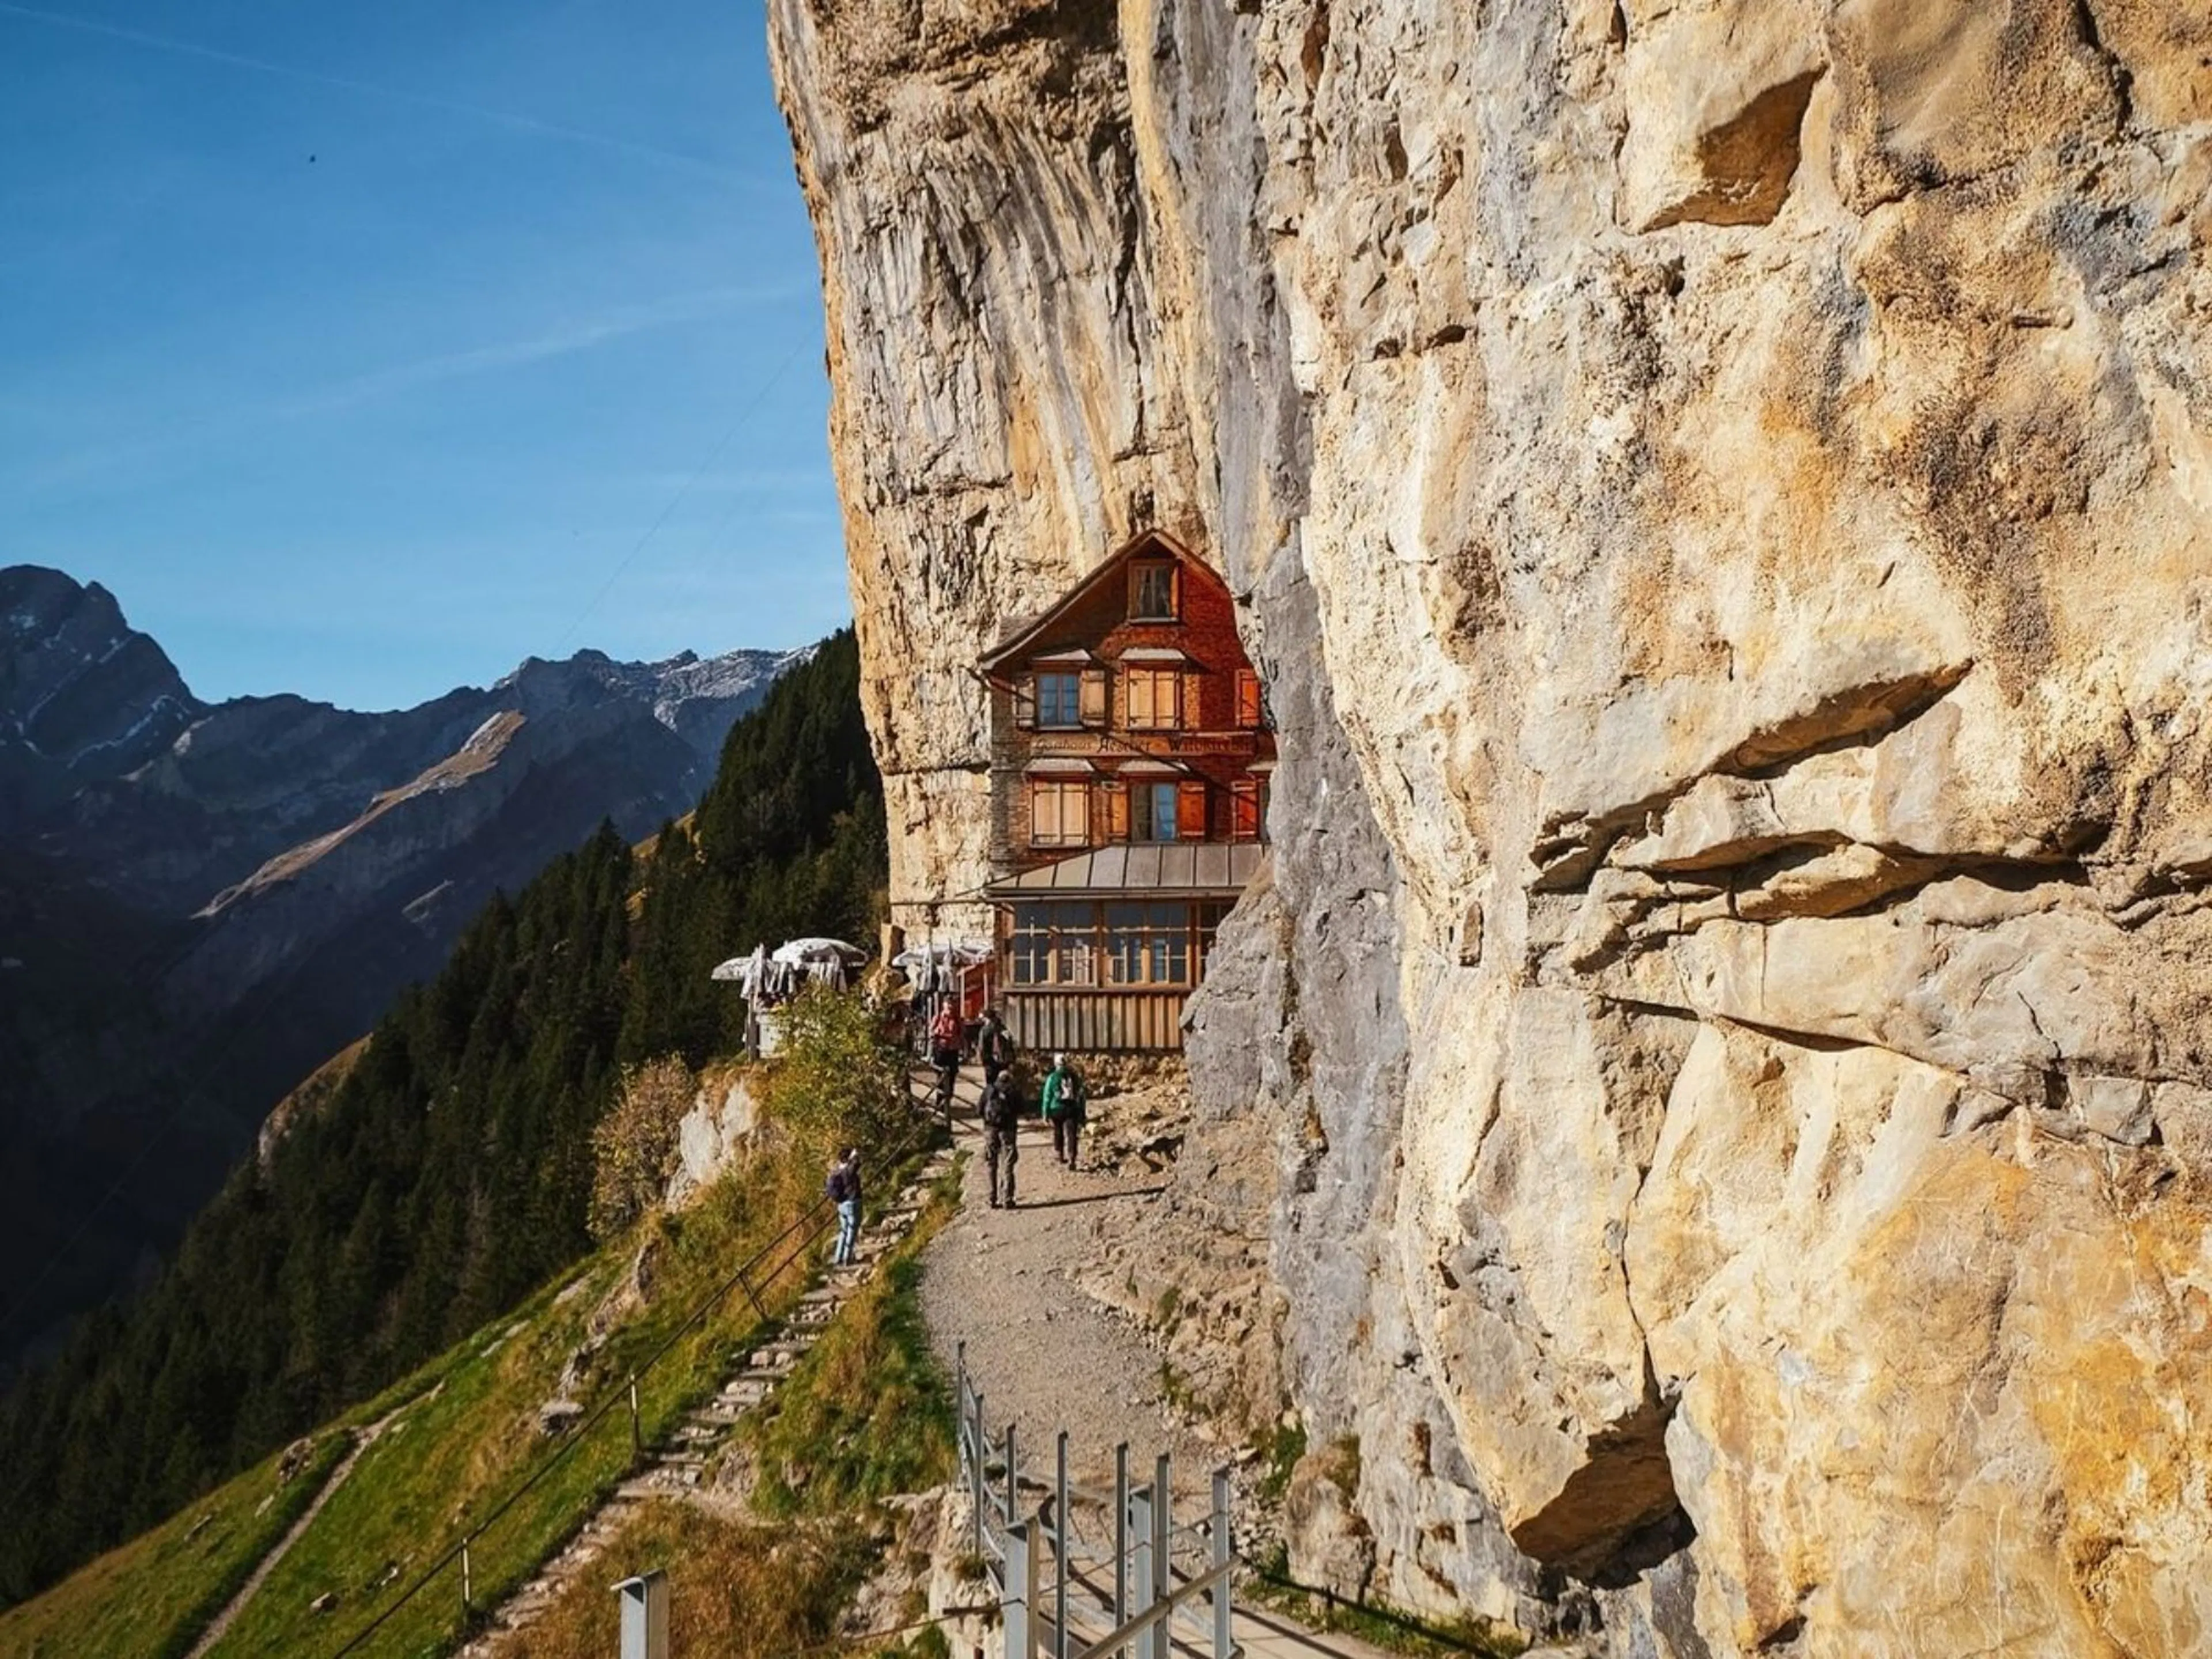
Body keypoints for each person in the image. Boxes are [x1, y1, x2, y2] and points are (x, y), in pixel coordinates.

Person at [980, 1067, 1021, 1208]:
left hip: (991, 1130)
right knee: (1008, 1163)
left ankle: (992, 1198)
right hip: (1008, 1130)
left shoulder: (989, 1090)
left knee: (991, 1164)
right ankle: (1007, 1198)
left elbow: (979, 1109)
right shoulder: (1013, 1091)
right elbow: (1021, 1109)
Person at [1040, 1052, 1087, 1170]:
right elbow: (1081, 1095)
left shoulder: (1053, 1077)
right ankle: (1072, 1158)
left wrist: (1045, 1112)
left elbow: (1047, 1096)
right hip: (1072, 1108)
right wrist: (1082, 1111)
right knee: (1072, 1134)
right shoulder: (1074, 1076)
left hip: (1056, 1108)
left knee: (1058, 1131)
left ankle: (1060, 1154)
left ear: (1056, 1064)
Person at [929, 998, 965, 1118]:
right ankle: (940, 1104)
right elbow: (931, 1033)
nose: (950, 1009)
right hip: (941, 1051)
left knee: (952, 1078)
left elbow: (961, 1034)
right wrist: (937, 1034)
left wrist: (961, 1046)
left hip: (953, 1051)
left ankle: (948, 1103)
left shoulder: (957, 1020)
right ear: (944, 1007)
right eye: (948, 1007)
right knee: (941, 1078)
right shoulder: (938, 1018)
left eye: (952, 1007)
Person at [827, 1147, 862, 1265]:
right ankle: (848, 1257)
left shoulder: (836, 1171)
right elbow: (856, 1163)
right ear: (848, 1159)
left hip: (841, 1205)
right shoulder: (849, 1170)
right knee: (852, 1230)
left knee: (843, 1231)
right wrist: (855, 1155)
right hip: (853, 1202)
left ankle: (838, 1257)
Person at [976, 1006, 1016, 1093]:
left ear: (987, 1018)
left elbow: (982, 1048)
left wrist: (982, 1060)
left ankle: (992, 1103)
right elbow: (1010, 1043)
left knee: (991, 1086)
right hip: (1003, 1062)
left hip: (990, 1062)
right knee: (1003, 1085)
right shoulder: (1003, 1028)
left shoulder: (985, 1030)